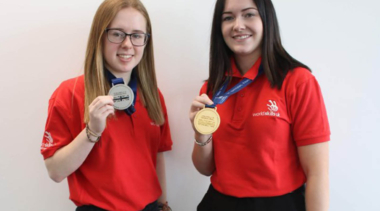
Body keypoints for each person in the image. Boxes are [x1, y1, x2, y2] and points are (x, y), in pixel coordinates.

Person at [189, 0, 330, 210]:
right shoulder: (213, 89)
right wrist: (201, 135)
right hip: (219, 202)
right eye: (228, 18)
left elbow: (317, 173)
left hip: (280, 204)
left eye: (248, 14)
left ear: (266, 20)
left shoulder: (298, 82)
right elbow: (205, 168)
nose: (237, 25)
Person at [40, 0, 172, 210]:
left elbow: (157, 156)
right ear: (99, 36)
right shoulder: (69, 93)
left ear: (146, 42)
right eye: (117, 33)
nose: (127, 44)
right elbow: (55, 172)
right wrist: (91, 132)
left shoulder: (153, 96)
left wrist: (164, 204)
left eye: (137, 35)